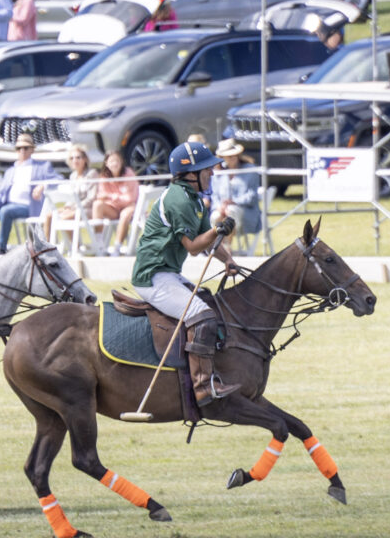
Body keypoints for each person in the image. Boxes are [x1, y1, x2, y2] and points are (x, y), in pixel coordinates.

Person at [130, 139, 243, 405]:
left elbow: (208, 243)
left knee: (207, 302)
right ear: (190, 174)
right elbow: (193, 247)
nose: (212, 173)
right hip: (153, 277)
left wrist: (228, 259)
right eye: (207, 169)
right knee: (202, 316)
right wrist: (217, 229)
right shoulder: (178, 200)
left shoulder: (194, 200)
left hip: (168, 273)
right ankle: (202, 387)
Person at [0, 133, 54, 252]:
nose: (22, 151)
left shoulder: (42, 166)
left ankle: (1, 248)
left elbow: (58, 179)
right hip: (6, 205)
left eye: (25, 148)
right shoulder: (11, 170)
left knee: (5, 211)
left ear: (32, 150)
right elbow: (1, 192)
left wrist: (43, 186)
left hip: (29, 206)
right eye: (19, 148)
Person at [208, 138, 264, 239]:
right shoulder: (218, 173)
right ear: (222, 157)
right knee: (216, 216)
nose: (232, 157)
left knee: (231, 211)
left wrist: (233, 202)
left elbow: (252, 197)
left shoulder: (250, 170)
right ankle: (221, 247)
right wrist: (219, 207)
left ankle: (227, 248)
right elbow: (214, 195)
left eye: (234, 155)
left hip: (246, 212)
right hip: (222, 210)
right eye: (229, 156)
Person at [90, 148, 140, 254]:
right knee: (97, 205)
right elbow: (100, 196)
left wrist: (111, 197)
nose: (114, 164)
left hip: (129, 208)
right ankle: (99, 243)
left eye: (117, 160)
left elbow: (130, 198)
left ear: (121, 162)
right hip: (113, 209)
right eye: (111, 161)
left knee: (125, 214)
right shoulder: (104, 176)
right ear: (106, 163)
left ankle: (117, 246)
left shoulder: (128, 174)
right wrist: (117, 197)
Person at [47, 145, 97, 235]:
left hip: (88, 209)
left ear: (85, 159)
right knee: (49, 216)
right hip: (74, 208)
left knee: (63, 219)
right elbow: (71, 196)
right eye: (72, 158)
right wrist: (68, 206)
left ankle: (76, 247)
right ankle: (44, 247)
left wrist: (75, 207)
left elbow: (92, 198)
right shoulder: (73, 176)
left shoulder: (92, 174)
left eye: (78, 157)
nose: (75, 160)